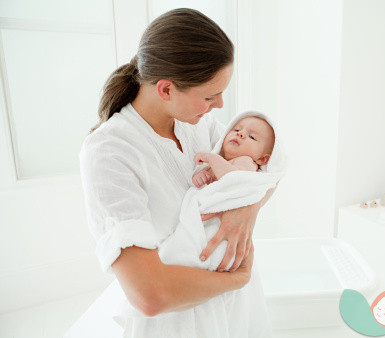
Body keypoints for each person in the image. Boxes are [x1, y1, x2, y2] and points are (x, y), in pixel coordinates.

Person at [79, 8, 274, 337]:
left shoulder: (198, 125)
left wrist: (246, 210)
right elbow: (150, 295)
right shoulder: (110, 154)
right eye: (210, 96)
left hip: (231, 310)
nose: (221, 105)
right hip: (177, 323)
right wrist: (237, 279)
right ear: (166, 89)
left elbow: (268, 167)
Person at [192, 116, 276, 188]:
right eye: (236, 130)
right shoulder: (220, 160)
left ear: (262, 159)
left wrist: (211, 158)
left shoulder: (246, 161)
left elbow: (233, 179)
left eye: (252, 137)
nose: (240, 133)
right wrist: (201, 177)